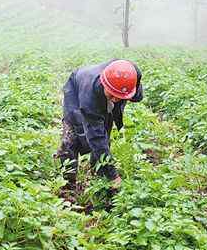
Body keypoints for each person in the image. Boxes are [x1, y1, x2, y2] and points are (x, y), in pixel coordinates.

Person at [56, 59, 143, 189]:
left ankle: (99, 175)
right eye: (112, 95)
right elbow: (96, 136)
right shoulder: (89, 96)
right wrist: (113, 176)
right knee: (73, 136)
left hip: (104, 90)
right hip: (76, 88)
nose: (115, 100)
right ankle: (68, 185)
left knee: (104, 135)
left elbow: (136, 93)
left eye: (119, 97)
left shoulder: (130, 74)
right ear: (104, 84)